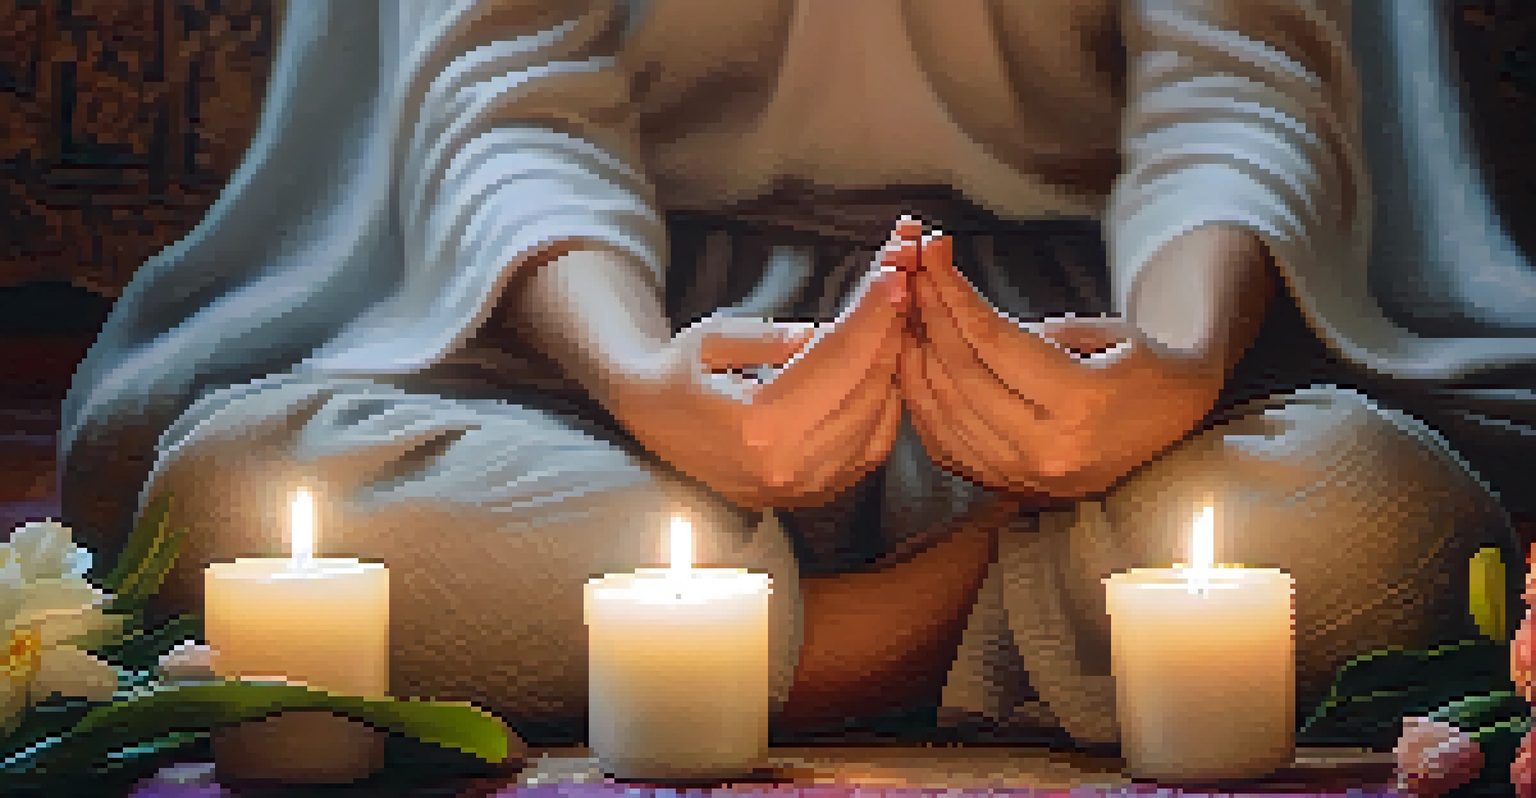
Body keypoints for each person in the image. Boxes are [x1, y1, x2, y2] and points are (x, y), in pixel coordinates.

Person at [58, 0, 1535, 746]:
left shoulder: (1141, 354)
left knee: (1376, 512)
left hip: (1074, 330)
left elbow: (1239, 78)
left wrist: (1169, 367)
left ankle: (700, 650)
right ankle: (958, 634)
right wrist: (644, 373)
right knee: (239, 494)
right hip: (621, 343)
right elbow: (502, 94)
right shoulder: (626, 355)